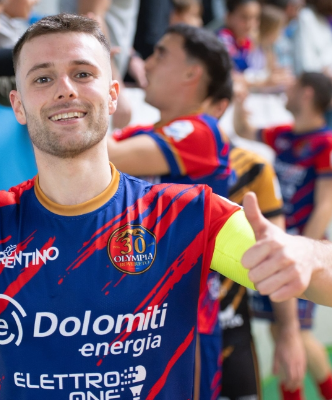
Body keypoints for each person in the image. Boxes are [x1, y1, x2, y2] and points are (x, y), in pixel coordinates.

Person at [0, 14, 332, 400]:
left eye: (82, 73)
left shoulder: (186, 214)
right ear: (18, 105)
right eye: (42, 78)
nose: (64, 90)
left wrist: (305, 255)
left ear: (113, 93)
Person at [108, 24, 234, 400]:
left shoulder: (201, 130)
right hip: (134, 319)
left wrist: (94, 81)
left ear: (192, 73)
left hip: (182, 324)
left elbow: (100, 156)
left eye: (161, 54)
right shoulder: (146, 133)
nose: (147, 63)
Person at [234, 71, 332, 400]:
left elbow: (325, 207)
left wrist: (303, 254)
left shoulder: (329, 146)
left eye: (293, 86)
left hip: (300, 254)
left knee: (296, 332)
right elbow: (243, 130)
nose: (286, 90)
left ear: (307, 93)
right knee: (281, 329)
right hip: (280, 249)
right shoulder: (283, 134)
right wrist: (240, 101)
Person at [204, 80, 306, 400]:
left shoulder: (251, 165)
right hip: (169, 339)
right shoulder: (134, 158)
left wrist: (289, 331)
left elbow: (277, 252)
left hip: (231, 327)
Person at [293, 0, 332, 148]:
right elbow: (305, 64)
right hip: (318, 93)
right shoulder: (306, 17)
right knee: (318, 146)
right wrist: (326, 79)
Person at [217, 0, 261, 73]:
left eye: (255, 18)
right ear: (228, 17)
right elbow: (232, 74)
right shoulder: (223, 39)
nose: (250, 24)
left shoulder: (248, 41)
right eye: (244, 17)